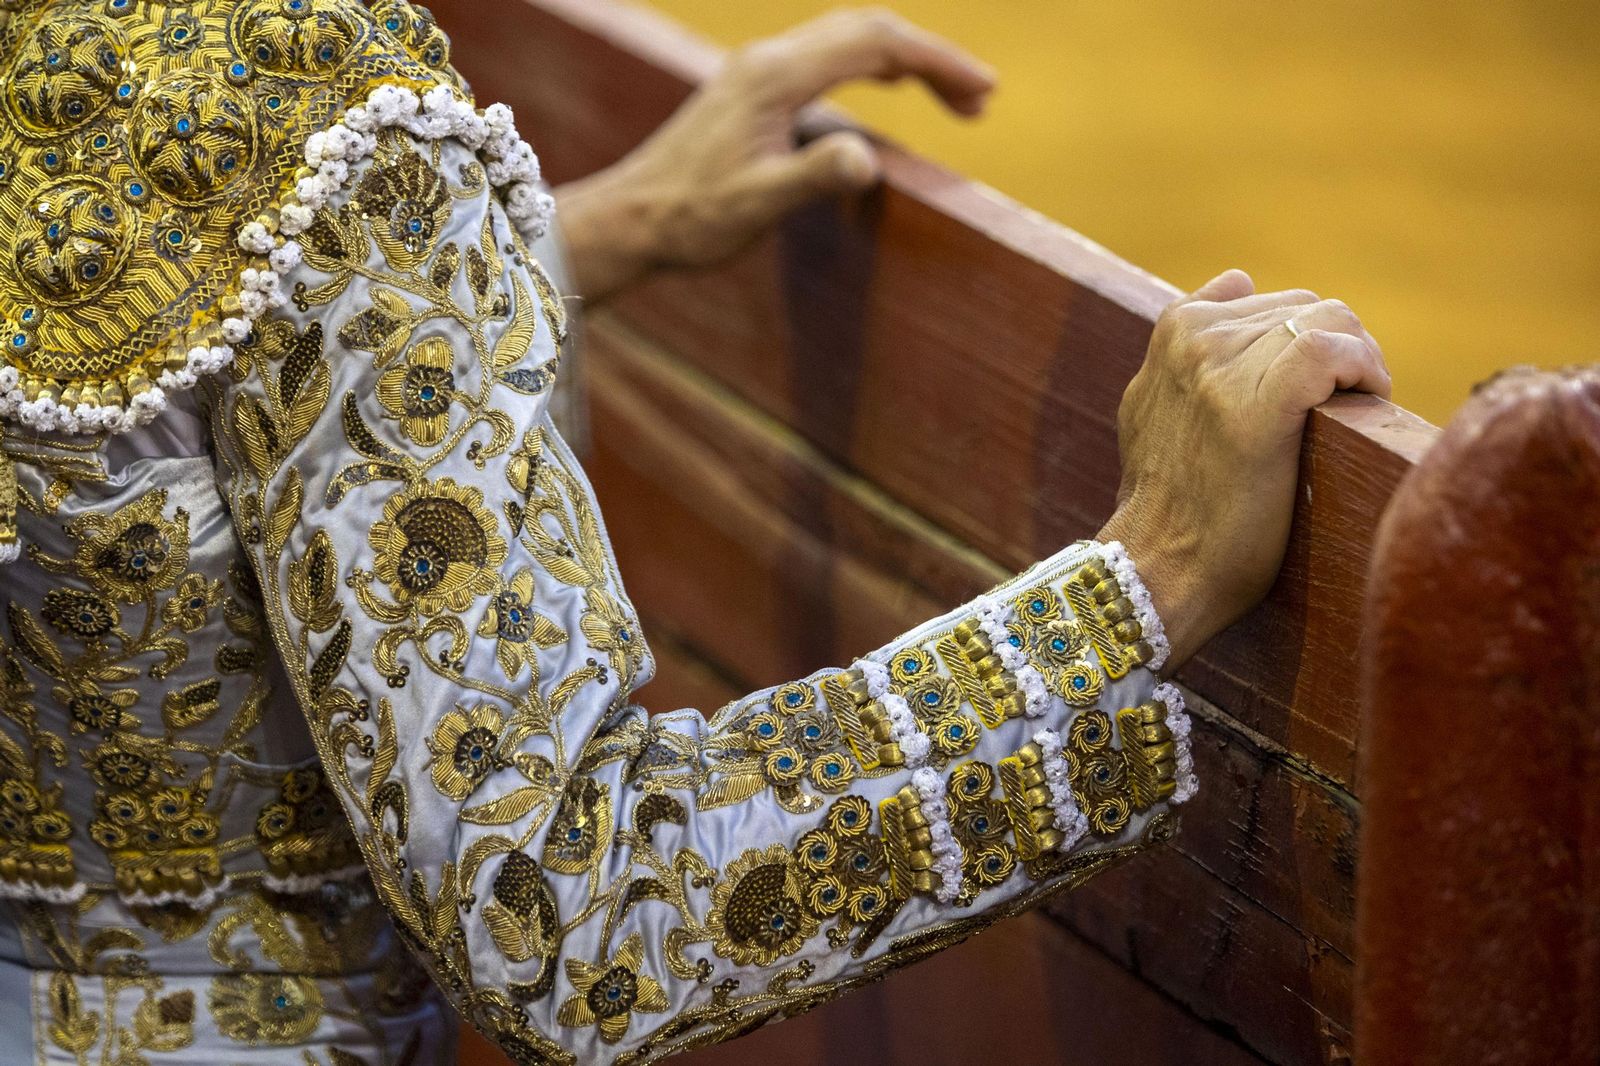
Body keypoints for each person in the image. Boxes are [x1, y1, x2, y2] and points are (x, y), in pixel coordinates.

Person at [0, 2, 1389, 1063]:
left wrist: (538, 254)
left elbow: (101, 443)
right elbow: (573, 916)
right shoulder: (298, 107)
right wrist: (1147, 581)